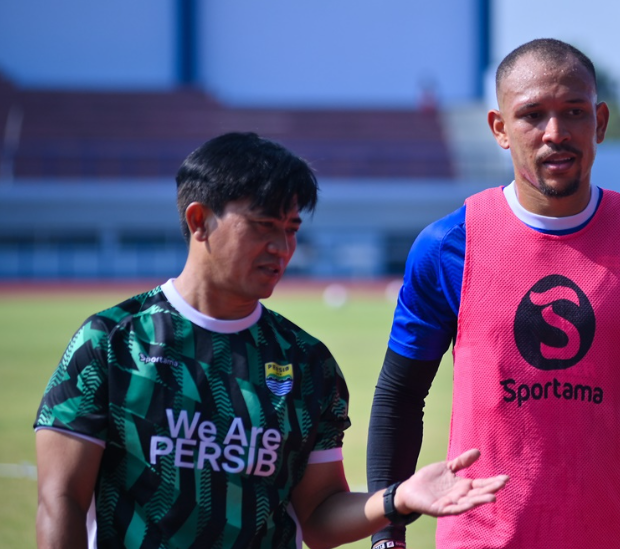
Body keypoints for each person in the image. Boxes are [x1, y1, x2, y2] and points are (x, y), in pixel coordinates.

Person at [33, 132, 509, 549]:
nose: (282, 248)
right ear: (199, 220)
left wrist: (396, 499)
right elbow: (60, 501)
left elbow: (319, 518)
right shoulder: (112, 343)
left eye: (291, 229)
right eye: (264, 226)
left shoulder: (307, 362)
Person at [367, 38, 620, 549]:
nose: (555, 133)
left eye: (574, 111)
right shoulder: (447, 247)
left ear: (601, 121)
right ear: (499, 129)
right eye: (531, 115)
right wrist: (387, 536)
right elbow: (400, 396)